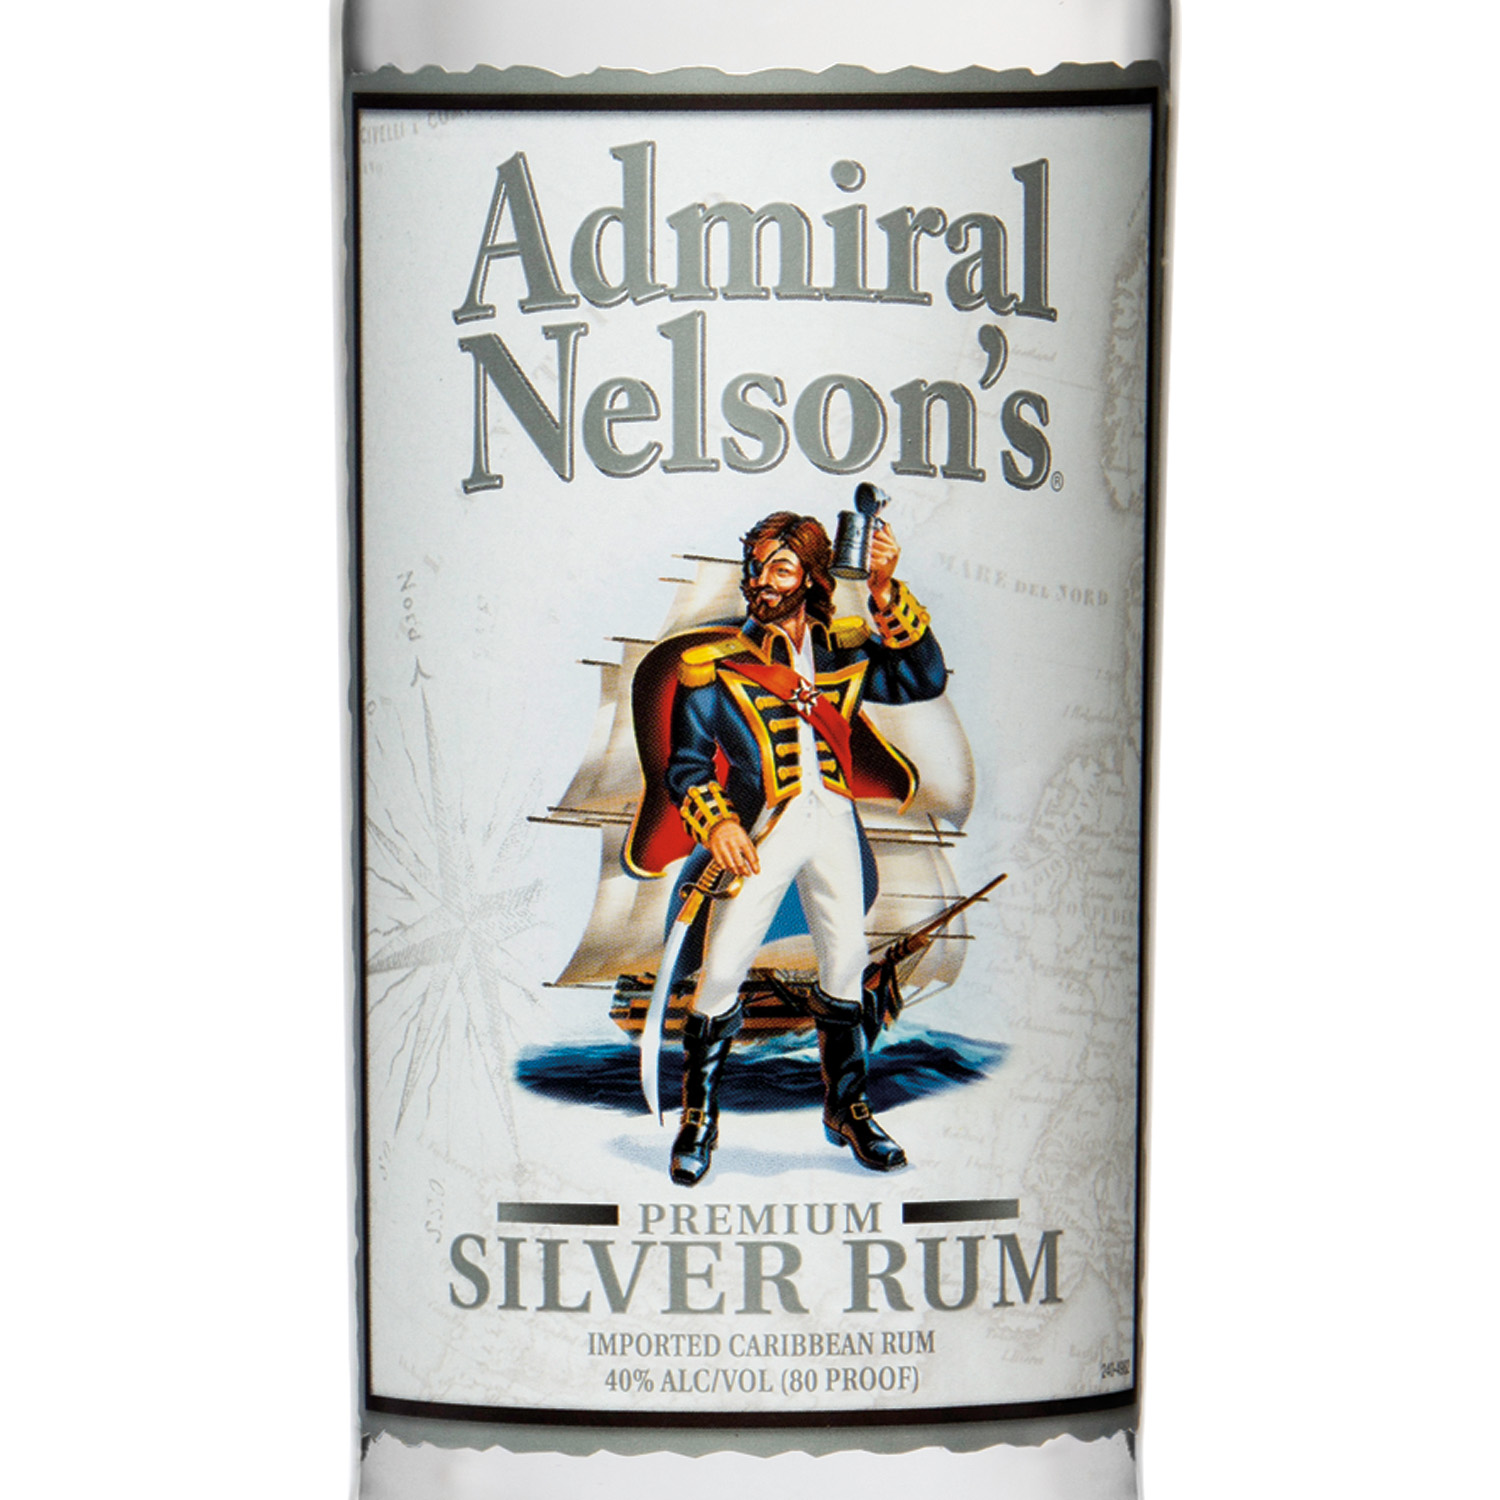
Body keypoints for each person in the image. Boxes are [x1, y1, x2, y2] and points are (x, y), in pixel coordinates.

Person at [628, 510, 948, 1185]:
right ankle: (699, 1118)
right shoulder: (715, 668)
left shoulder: (845, 652)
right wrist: (718, 823)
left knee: (846, 965)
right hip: (762, 828)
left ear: (810, 577)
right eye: (756, 568)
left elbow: (922, 680)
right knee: (722, 971)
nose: (761, 581)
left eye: (778, 568)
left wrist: (886, 590)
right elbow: (687, 767)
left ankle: (847, 1107)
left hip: (833, 821)